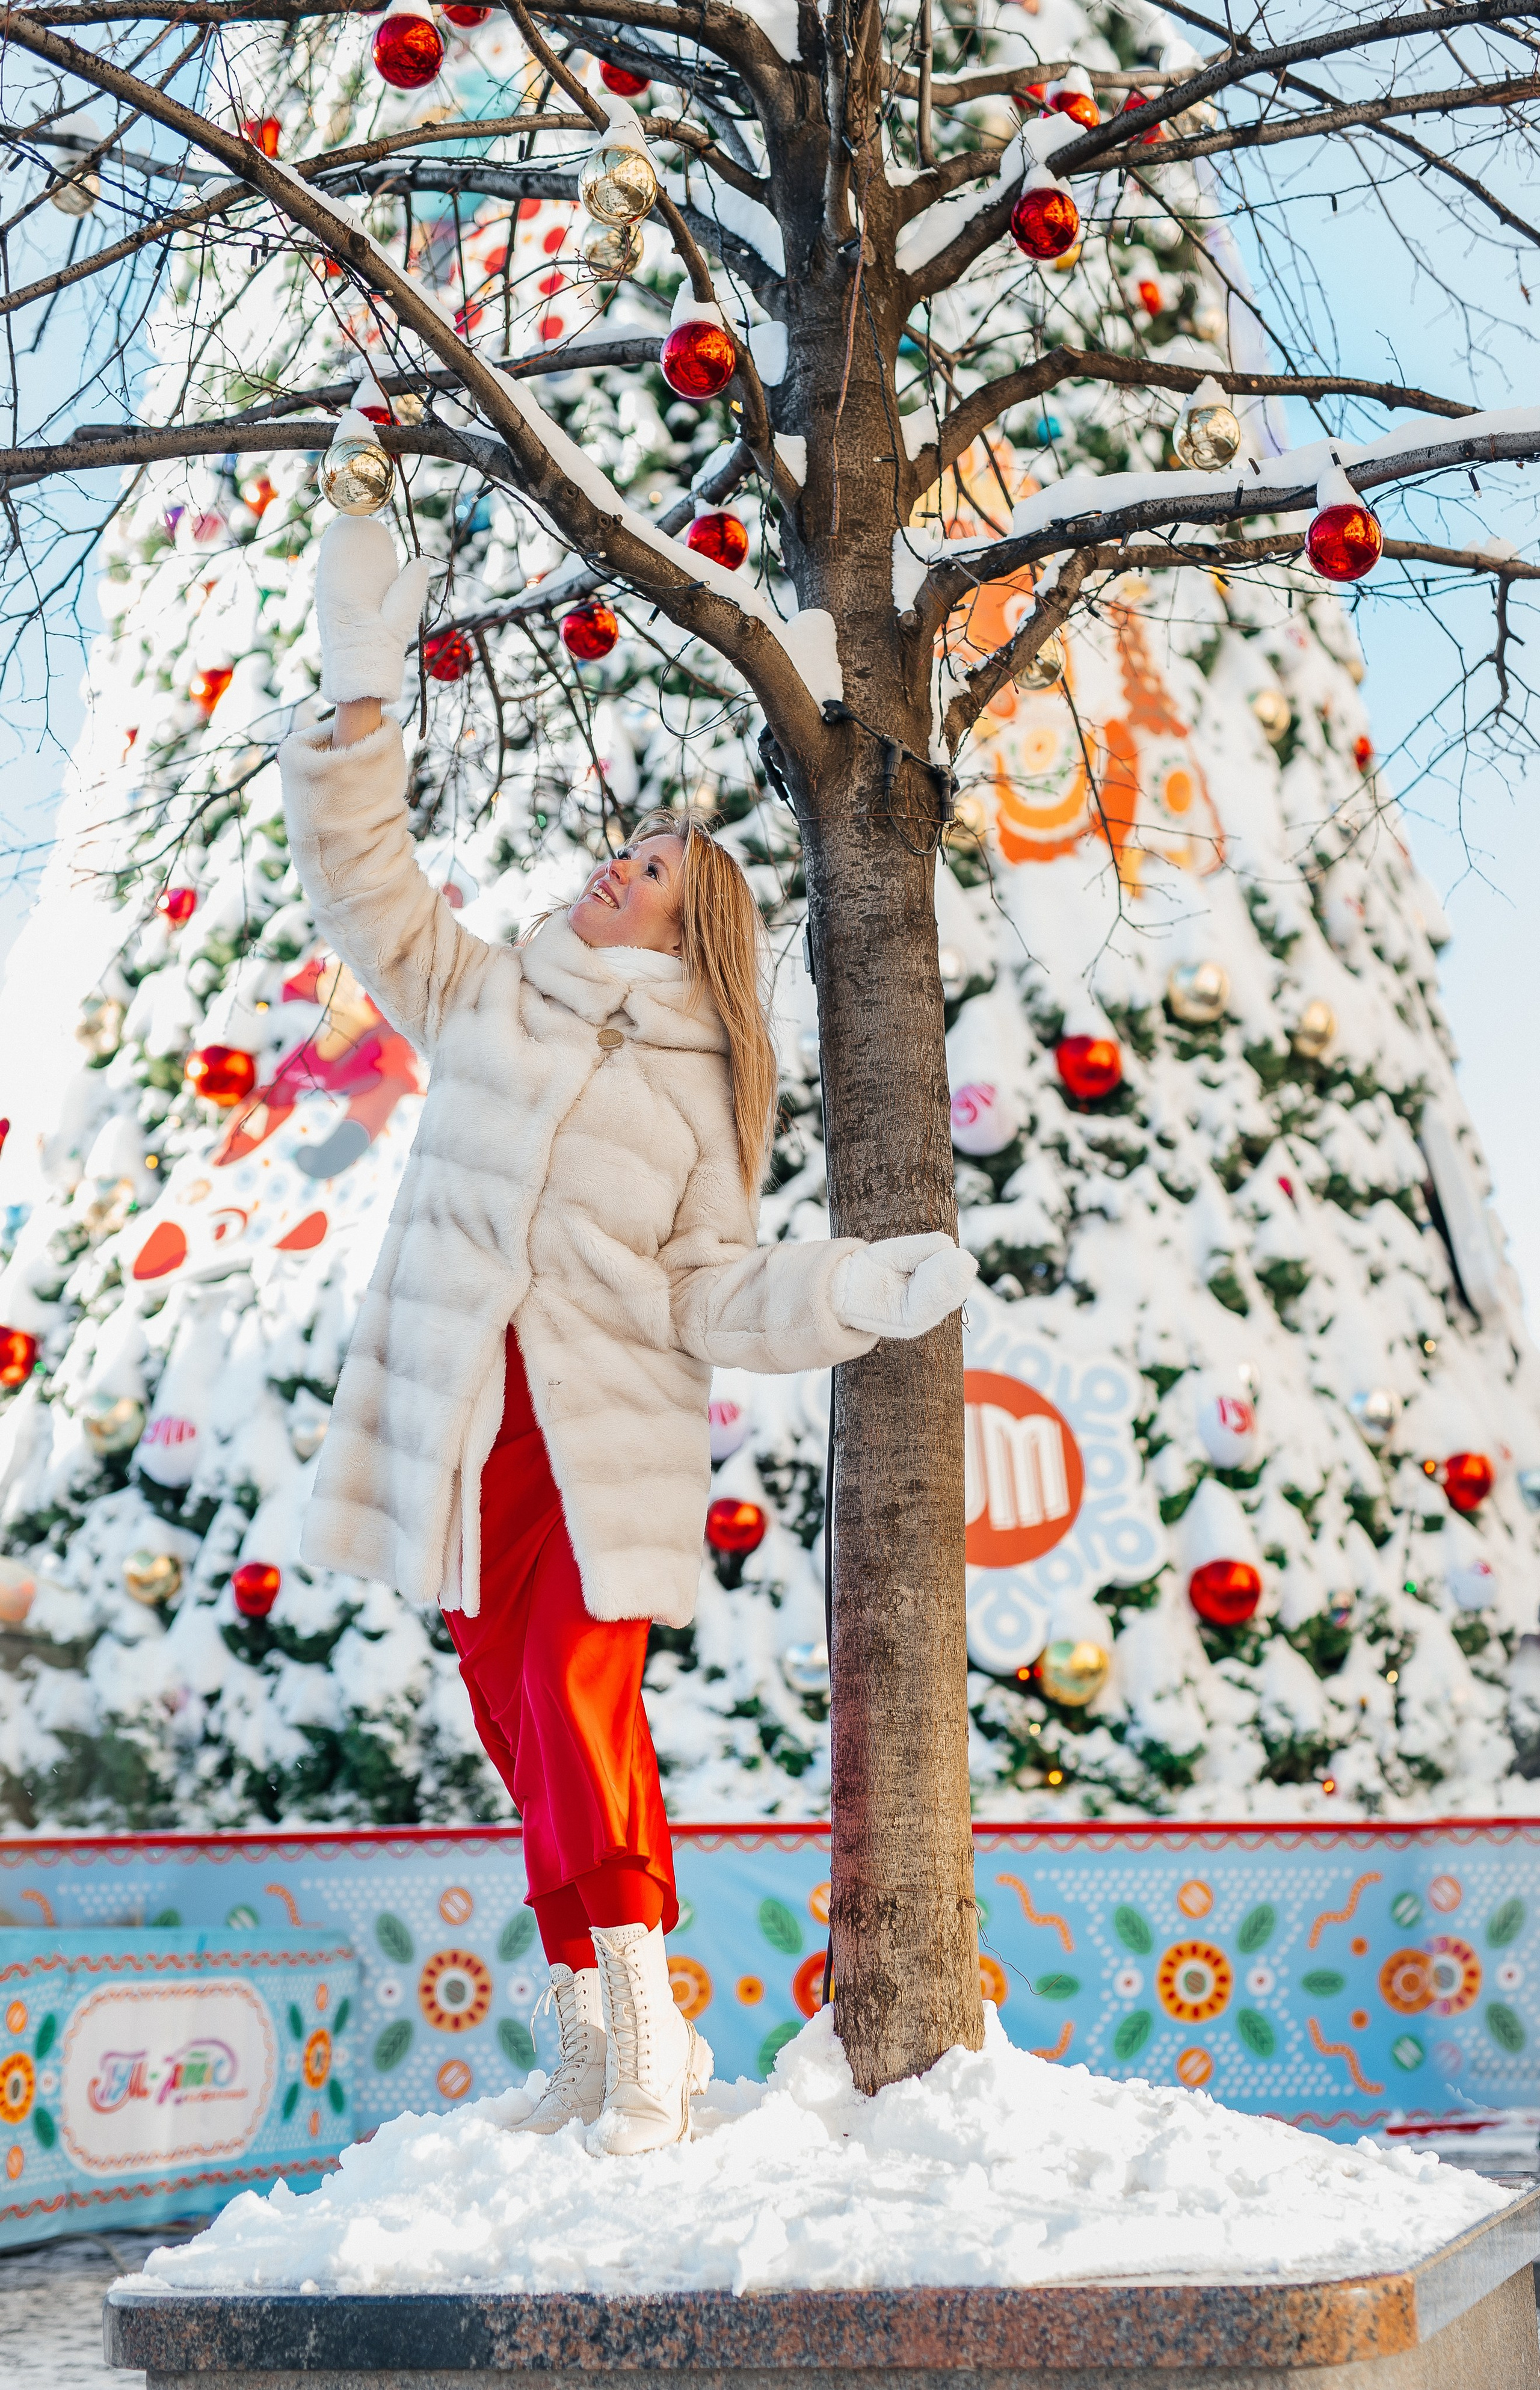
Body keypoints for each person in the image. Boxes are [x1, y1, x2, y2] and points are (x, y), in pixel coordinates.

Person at [277, 516, 977, 2156]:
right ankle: (590, 2035)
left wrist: (847, 1293)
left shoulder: (705, 1087)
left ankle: (656, 2034)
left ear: (690, 927)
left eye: (654, 868)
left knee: (578, 1700)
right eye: (630, 850)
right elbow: (365, 884)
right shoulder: (487, 994)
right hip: (468, 1430)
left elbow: (707, 1288)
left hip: (602, 1443)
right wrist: (363, 699)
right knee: (513, 1719)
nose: (618, 866)